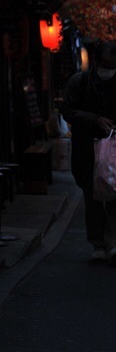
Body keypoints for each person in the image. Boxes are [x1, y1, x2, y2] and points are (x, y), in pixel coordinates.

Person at [61, 40, 116, 263]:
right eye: (105, 65)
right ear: (96, 61)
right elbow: (67, 110)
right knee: (92, 197)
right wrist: (95, 120)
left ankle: (113, 243)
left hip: (113, 149)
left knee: (114, 195)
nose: (108, 71)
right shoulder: (80, 82)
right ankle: (98, 243)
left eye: (112, 66)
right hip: (87, 149)